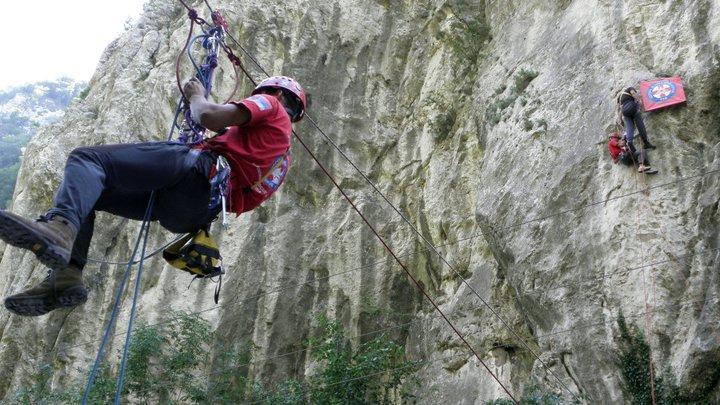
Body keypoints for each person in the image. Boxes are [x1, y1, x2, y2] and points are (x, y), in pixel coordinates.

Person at [0, 75, 306, 316]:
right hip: (189, 215)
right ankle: (67, 275)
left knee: (87, 160)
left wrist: (196, 95)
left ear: (277, 95)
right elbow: (243, 200)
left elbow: (208, 116)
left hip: (196, 173)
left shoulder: (271, 105)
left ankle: (59, 228)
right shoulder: (281, 163)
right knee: (90, 195)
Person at [616, 87, 656, 153]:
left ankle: (629, 141)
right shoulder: (629, 88)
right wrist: (639, 101)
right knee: (640, 125)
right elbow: (633, 93)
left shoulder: (619, 98)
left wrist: (620, 119)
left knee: (630, 127)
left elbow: (619, 109)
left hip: (625, 112)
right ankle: (646, 143)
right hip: (632, 108)